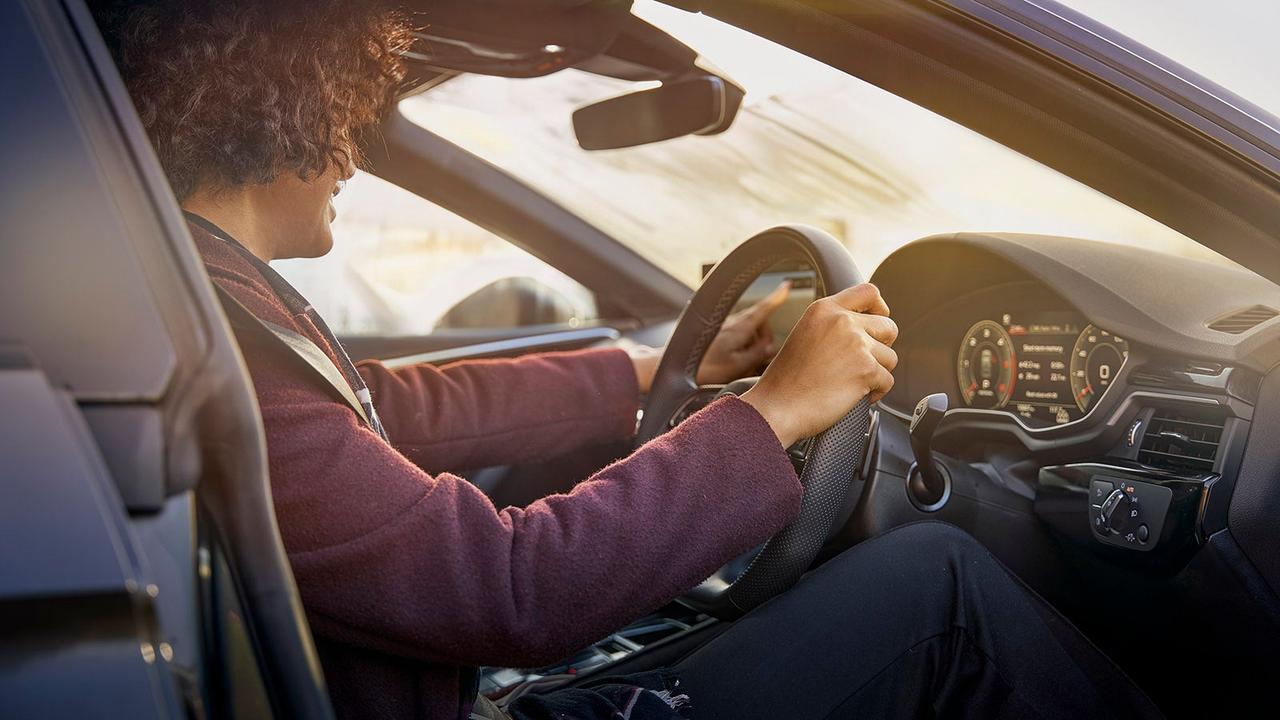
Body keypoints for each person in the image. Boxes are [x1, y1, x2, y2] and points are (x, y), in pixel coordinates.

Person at [93, 1, 1163, 718]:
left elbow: (383, 408)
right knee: (939, 586)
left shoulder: (203, 300)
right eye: (342, 114)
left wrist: (655, 377)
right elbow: (514, 589)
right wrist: (770, 415)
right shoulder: (205, 333)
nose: (352, 154)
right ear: (268, 109)